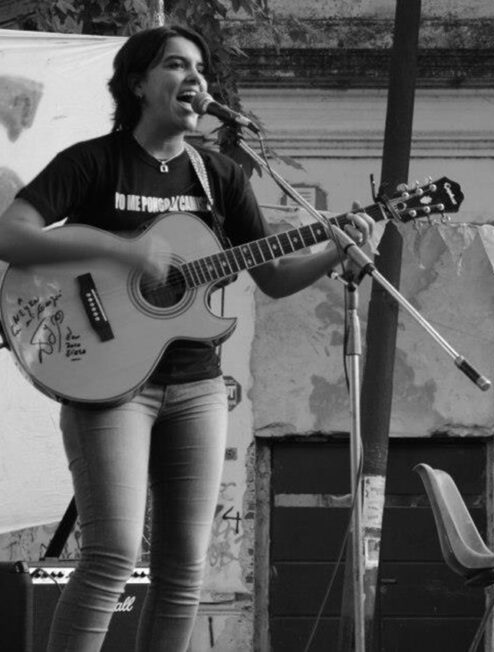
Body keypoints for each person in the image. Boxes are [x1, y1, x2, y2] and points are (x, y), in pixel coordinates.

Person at [0, 25, 372, 651]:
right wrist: (124, 251)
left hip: (197, 384)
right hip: (110, 386)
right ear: (138, 83)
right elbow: (10, 235)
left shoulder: (220, 176)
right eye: (177, 65)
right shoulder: (93, 162)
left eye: (200, 68)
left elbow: (274, 276)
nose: (195, 78)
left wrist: (334, 248)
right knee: (113, 553)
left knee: (183, 572)